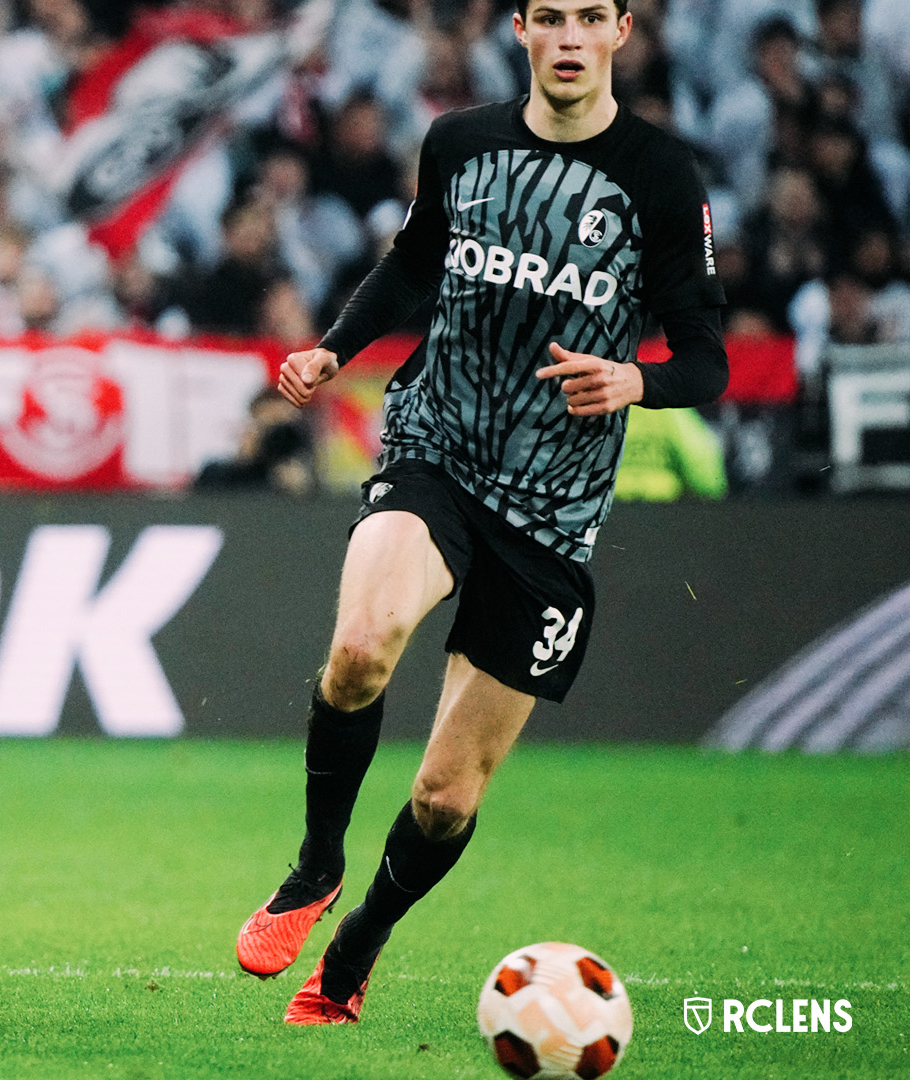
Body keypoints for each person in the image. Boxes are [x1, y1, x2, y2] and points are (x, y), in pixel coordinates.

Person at [235, 0, 728, 1024]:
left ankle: (359, 940)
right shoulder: (460, 142)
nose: (569, 36)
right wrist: (336, 346)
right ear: (522, 29)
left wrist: (635, 380)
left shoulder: (662, 176)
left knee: (446, 798)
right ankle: (316, 864)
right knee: (363, 648)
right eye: (551, 16)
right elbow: (416, 264)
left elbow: (707, 355)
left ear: (620, 32)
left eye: (591, 17)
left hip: (553, 506)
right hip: (437, 447)